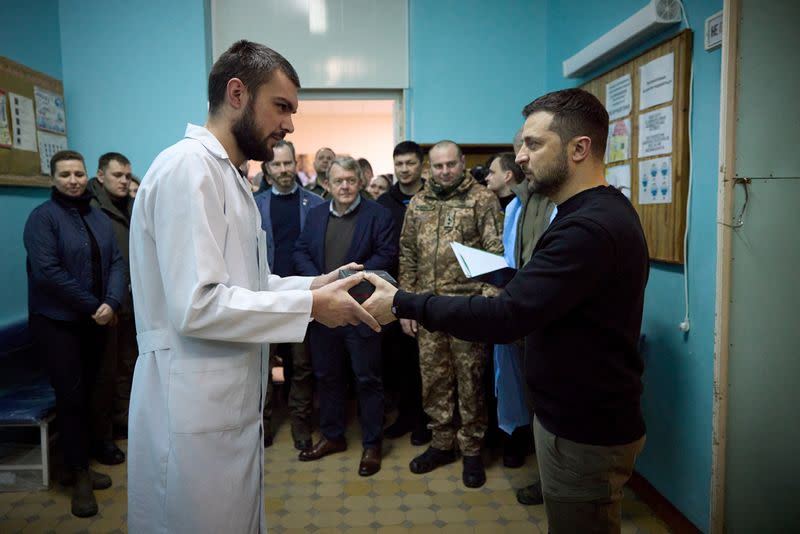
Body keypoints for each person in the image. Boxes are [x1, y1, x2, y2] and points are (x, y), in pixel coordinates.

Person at [364, 88, 649, 534]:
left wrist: (401, 301)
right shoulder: (595, 211)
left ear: (579, 148)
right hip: (574, 414)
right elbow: (554, 297)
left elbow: (507, 317)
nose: (520, 157)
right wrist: (511, 278)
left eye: (534, 144)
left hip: (584, 425)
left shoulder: (587, 228)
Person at [127, 40, 379, 534]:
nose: (289, 125)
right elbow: (198, 305)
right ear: (237, 93)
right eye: (281, 106)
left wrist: (316, 282)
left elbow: (251, 283)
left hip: (229, 402)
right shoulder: (187, 170)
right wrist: (311, 307)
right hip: (191, 406)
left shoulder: (231, 177)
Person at [24, 150, 126, 518]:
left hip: (96, 320)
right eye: (65, 174)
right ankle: (79, 477)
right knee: (70, 398)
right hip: (58, 323)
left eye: (78, 173)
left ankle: (77, 463)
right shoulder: (42, 219)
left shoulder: (96, 216)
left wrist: (112, 302)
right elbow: (48, 271)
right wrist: (93, 306)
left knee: (95, 394)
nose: (73, 180)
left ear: (88, 178)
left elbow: (116, 261)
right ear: (53, 179)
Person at [397, 140, 503, 488]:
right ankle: (441, 443)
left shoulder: (482, 200)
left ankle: (472, 450)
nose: (444, 171)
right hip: (427, 309)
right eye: (438, 166)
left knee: (470, 381)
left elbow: (495, 253)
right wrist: (407, 305)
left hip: (467, 309)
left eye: (450, 165)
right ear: (430, 168)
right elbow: (408, 255)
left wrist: (487, 305)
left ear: (462, 164)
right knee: (434, 380)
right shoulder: (419, 203)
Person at [293, 156, 395, 476]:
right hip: (326, 311)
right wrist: (322, 282)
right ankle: (333, 436)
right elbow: (301, 251)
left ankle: (372, 444)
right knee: (328, 376)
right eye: (339, 181)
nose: (345, 186)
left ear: (360, 181)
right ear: (328, 184)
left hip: (362, 310)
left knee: (367, 378)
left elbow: (386, 255)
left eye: (351, 180)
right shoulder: (315, 213)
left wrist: (347, 280)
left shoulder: (379, 214)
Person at [254, 139, 325, 450]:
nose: (283, 169)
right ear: (267, 169)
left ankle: (300, 423)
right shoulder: (255, 205)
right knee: (263, 365)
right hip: (265, 297)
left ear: (296, 164)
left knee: (302, 365)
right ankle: (263, 424)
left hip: (301, 296)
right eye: (277, 164)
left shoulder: (316, 204)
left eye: (287, 163)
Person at [377, 141, 430, 446]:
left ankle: (426, 420)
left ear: (421, 165)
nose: (404, 169)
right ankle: (406, 416)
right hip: (394, 292)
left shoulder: (433, 196)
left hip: (432, 290)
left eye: (410, 163)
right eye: (399, 164)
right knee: (400, 360)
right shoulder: (385, 202)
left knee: (429, 361)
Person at [87, 152, 137, 453]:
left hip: (132, 304)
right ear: (101, 176)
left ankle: (125, 424)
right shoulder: (92, 211)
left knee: (128, 368)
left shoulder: (130, 206)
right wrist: (109, 302)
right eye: (117, 175)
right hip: (106, 307)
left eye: (127, 176)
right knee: (105, 374)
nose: (123, 181)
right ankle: (104, 438)